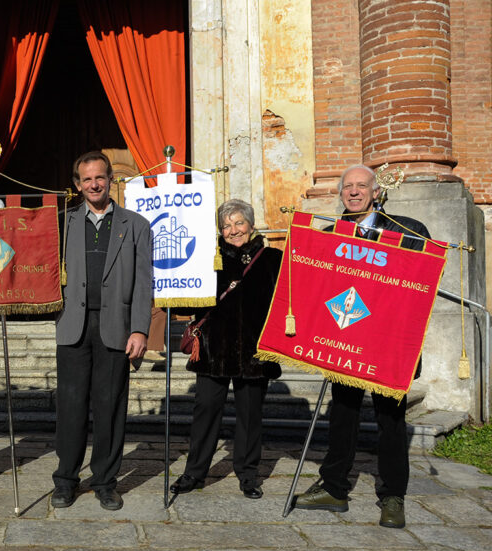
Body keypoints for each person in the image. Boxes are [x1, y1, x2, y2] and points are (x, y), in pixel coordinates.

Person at [293, 164, 430, 529]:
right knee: (343, 414)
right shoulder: (329, 234)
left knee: (390, 420)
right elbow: (316, 286)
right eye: (347, 187)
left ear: (375, 192)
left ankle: (393, 497)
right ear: (341, 194)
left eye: (361, 186)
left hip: (389, 346)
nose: (354, 192)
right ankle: (335, 488)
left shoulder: (407, 231)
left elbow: (422, 282)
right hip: (347, 336)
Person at [52, 151, 153, 511]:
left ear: (111, 180)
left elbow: (144, 283)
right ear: (77, 185)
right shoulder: (62, 222)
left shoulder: (136, 225)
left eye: (100, 177)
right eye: (86, 179)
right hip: (73, 327)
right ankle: (65, 479)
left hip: (115, 328)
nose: (94, 184)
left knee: (110, 408)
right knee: (71, 407)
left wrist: (140, 329)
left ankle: (106, 482)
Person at [169, 200, 283, 500]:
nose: (233, 230)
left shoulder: (273, 259)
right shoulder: (209, 258)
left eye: (238, 223)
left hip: (254, 353)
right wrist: (172, 288)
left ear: (251, 224)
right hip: (213, 350)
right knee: (205, 411)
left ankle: (247, 475)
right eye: (226, 225)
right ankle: (194, 473)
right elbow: (186, 304)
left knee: (250, 415)